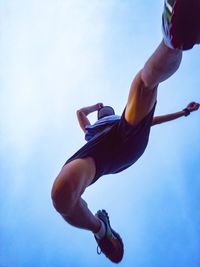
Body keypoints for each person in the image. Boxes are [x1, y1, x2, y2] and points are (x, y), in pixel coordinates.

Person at [51, 0, 200, 263]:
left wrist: (182, 112)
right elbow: (79, 113)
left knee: (142, 84)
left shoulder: (120, 116)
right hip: (103, 154)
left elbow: (152, 120)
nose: (103, 112)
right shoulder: (90, 129)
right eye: (102, 111)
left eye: (105, 110)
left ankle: (175, 36)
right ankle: (101, 230)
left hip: (128, 129)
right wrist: (94, 106)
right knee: (61, 197)